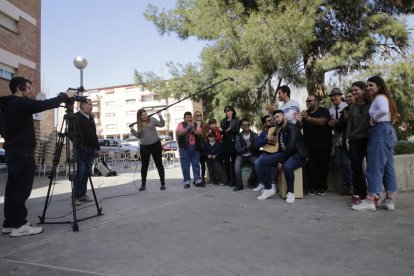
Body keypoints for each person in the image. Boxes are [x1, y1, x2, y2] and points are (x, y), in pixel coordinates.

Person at [0, 76, 76, 237]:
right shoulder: (19, 103)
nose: (31, 91)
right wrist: (65, 96)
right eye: (28, 88)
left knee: (12, 190)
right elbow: (42, 105)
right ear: (20, 88)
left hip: (12, 152)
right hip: (23, 153)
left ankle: (10, 223)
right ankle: (20, 225)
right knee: (21, 190)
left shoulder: (5, 106)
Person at [352, 76, 398, 211]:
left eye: (371, 85)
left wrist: (373, 118)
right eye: (367, 86)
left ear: (379, 86)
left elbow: (383, 111)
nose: (368, 88)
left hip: (380, 131)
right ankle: (390, 200)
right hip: (387, 130)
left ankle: (370, 200)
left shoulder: (380, 98)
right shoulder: (384, 98)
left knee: (374, 166)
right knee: (388, 167)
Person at [256, 110, 308, 202]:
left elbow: (291, 145)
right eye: (275, 118)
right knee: (262, 161)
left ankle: (291, 193)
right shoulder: (280, 131)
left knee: (287, 167)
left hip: (298, 155)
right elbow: (281, 149)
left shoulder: (292, 127)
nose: (276, 119)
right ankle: (269, 189)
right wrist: (277, 158)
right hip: (286, 154)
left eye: (278, 117)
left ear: (284, 116)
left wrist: (281, 161)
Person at [295, 94, 332, 195]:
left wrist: (308, 118)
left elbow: (323, 122)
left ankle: (322, 188)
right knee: (310, 167)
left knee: (322, 167)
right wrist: (298, 120)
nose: (308, 102)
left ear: (316, 101)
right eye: (307, 101)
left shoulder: (323, 110)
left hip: (323, 145)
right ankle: (312, 187)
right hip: (309, 145)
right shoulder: (305, 113)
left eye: (310, 101)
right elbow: (301, 126)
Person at [70, 100, 101, 205]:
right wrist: (79, 145)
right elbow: (70, 133)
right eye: (89, 104)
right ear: (82, 105)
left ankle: (83, 194)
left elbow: (94, 133)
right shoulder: (75, 117)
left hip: (91, 148)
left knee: (87, 172)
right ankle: (76, 196)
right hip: (81, 148)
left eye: (91, 104)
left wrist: (97, 148)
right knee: (81, 171)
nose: (91, 106)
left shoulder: (91, 117)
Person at [346, 82, 371, 206]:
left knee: (371, 168)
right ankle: (358, 194)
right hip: (354, 140)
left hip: (368, 139)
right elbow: (349, 124)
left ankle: (371, 194)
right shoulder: (352, 107)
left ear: (363, 90)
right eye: (352, 90)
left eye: (356, 90)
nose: (354, 92)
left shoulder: (371, 104)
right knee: (355, 167)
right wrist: (347, 139)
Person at [130, 109, 166, 191]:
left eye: (145, 114)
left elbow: (162, 124)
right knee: (144, 166)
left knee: (159, 164)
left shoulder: (152, 119)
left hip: (155, 144)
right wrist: (132, 130)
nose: (145, 116)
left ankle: (162, 183)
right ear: (139, 116)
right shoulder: (139, 124)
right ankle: (143, 185)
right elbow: (139, 136)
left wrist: (160, 115)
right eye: (143, 115)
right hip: (144, 146)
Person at [328, 88, 352, 195]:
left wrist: (339, 122)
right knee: (340, 164)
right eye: (332, 96)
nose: (333, 97)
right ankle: (344, 187)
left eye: (335, 95)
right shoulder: (331, 110)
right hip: (337, 140)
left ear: (340, 96)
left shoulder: (346, 106)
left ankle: (351, 186)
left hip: (347, 139)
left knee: (347, 163)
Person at [176, 111, 203, 188]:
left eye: (190, 117)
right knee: (185, 166)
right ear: (184, 118)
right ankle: (187, 182)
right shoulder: (181, 124)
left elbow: (200, 133)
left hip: (195, 147)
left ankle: (198, 181)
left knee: (196, 165)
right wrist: (187, 128)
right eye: (187, 117)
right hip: (184, 148)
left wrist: (193, 130)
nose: (189, 119)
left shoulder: (196, 124)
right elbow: (178, 133)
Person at [233, 118, 258, 191]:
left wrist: (253, 146)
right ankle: (239, 185)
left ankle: (251, 181)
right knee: (237, 165)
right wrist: (246, 147)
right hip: (241, 155)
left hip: (251, 155)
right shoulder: (238, 136)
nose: (247, 126)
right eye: (245, 125)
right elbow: (238, 149)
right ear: (241, 126)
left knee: (258, 164)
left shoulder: (254, 135)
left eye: (248, 124)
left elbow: (257, 146)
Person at [253, 115, 276, 192]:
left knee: (272, 162)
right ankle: (262, 183)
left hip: (278, 152)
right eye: (269, 121)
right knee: (257, 162)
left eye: (272, 120)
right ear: (265, 124)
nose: (271, 121)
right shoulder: (264, 133)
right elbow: (256, 145)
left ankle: (273, 184)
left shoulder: (279, 129)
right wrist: (266, 139)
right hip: (267, 152)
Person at [220, 106, 239, 187]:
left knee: (234, 163)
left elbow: (237, 131)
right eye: (225, 111)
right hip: (225, 143)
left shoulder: (236, 120)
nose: (226, 112)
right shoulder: (223, 121)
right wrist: (221, 131)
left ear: (232, 111)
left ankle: (234, 181)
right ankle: (228, 180)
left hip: (233, 143)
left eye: (228, 110)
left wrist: (230, 129)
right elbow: (222, 131)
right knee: (226, 163)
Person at [194, 111, 208, 185]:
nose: (199, 116)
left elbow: (204, 134)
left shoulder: (204, 124)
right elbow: (192, 133)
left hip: (203, 145)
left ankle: (202, 177)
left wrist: (199, 132)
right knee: (195, 163)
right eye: (197, 115)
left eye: (200, 115)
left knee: (202, 163)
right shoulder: (193, 124)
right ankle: (197, 177)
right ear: (195, 116)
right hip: (195, 145)